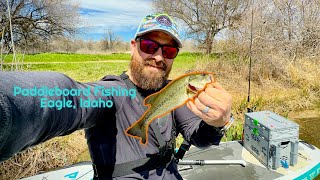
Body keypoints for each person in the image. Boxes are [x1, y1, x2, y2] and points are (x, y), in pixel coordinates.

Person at [0, 13, 232, 179]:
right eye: (150, 46)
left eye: (169, 51)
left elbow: (200, 138)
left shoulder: (176, 92)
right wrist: (9, 105)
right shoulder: (111, 92)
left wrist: (217, 123)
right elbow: (72, 98)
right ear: (133, 46)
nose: (159, 57)